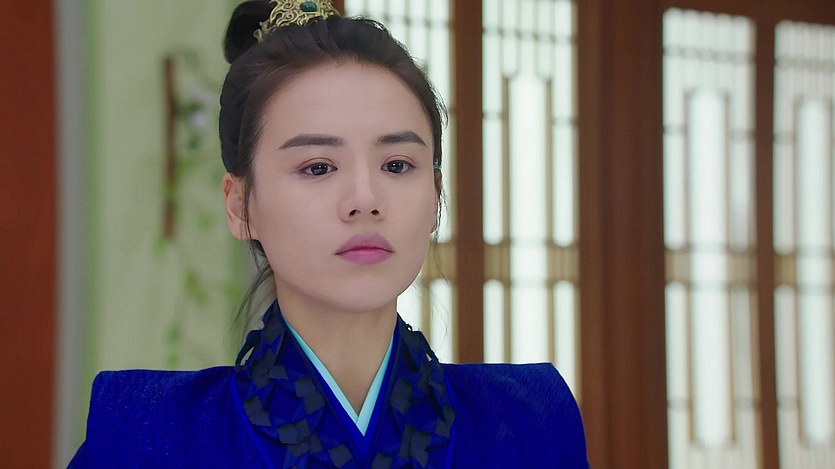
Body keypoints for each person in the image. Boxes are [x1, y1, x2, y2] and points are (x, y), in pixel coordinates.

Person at [69, 1, 588, 467]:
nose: (365, 198)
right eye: (318, 167)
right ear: (239, 204)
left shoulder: (531, 422)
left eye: (397, 164)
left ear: (435, 195)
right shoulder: (144, 433)